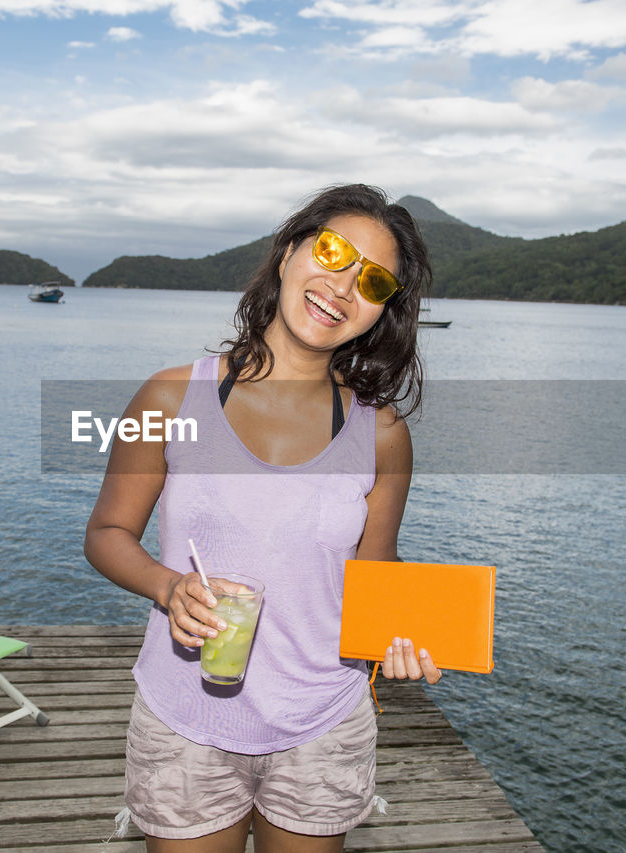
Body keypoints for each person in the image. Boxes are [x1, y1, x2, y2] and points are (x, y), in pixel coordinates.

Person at [84, 184, 439, 852]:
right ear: (287, 253)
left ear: (383, 309)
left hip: (322, 724)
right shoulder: (171, 394)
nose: (342, 284)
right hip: (184, 721)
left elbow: (376, 580)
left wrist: (404, 636)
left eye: (374, 278)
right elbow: (105, 534)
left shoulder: (382, 434)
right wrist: (168, 586)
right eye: (331, 251)